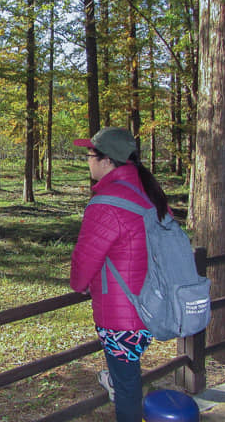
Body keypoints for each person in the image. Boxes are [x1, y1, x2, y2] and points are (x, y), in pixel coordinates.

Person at [70, 127, 169, 422]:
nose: (88, 161)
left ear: (107, 161)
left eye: (90, 155)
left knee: (127, 388)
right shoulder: (148, 193)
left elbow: (84, 261)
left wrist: (79, 284)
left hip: (121, 317)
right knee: (126, 375)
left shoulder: (106, 204)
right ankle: (113, 380)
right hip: (152, 306)